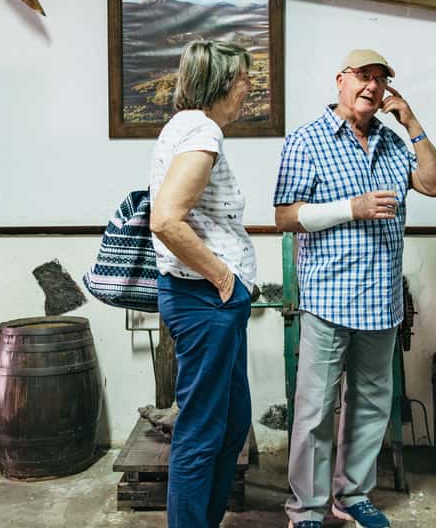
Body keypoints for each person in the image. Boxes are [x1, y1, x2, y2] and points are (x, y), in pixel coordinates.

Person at [274, 49, 436, 528]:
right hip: (328, 299)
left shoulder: (393, 142)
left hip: (381, 301)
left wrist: (413, 123)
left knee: (371, 404)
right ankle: (306, 510)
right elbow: (285, 216)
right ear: (340, 80)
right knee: (315, 410)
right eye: (362, 76)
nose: (371, 86)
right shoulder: (306, 140)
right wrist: (351, 208)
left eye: (379, 79)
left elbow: (435, 184)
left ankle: (351, 496)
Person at [148, 39, 257, 528]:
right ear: (221, 84)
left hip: (211, 300)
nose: (249, 87)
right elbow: (166, 220)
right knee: (202, 430)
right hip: (205, 299)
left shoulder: (190, 128)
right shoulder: (201, 131)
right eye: (243, 79)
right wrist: (223, 276)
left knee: (231, 422)